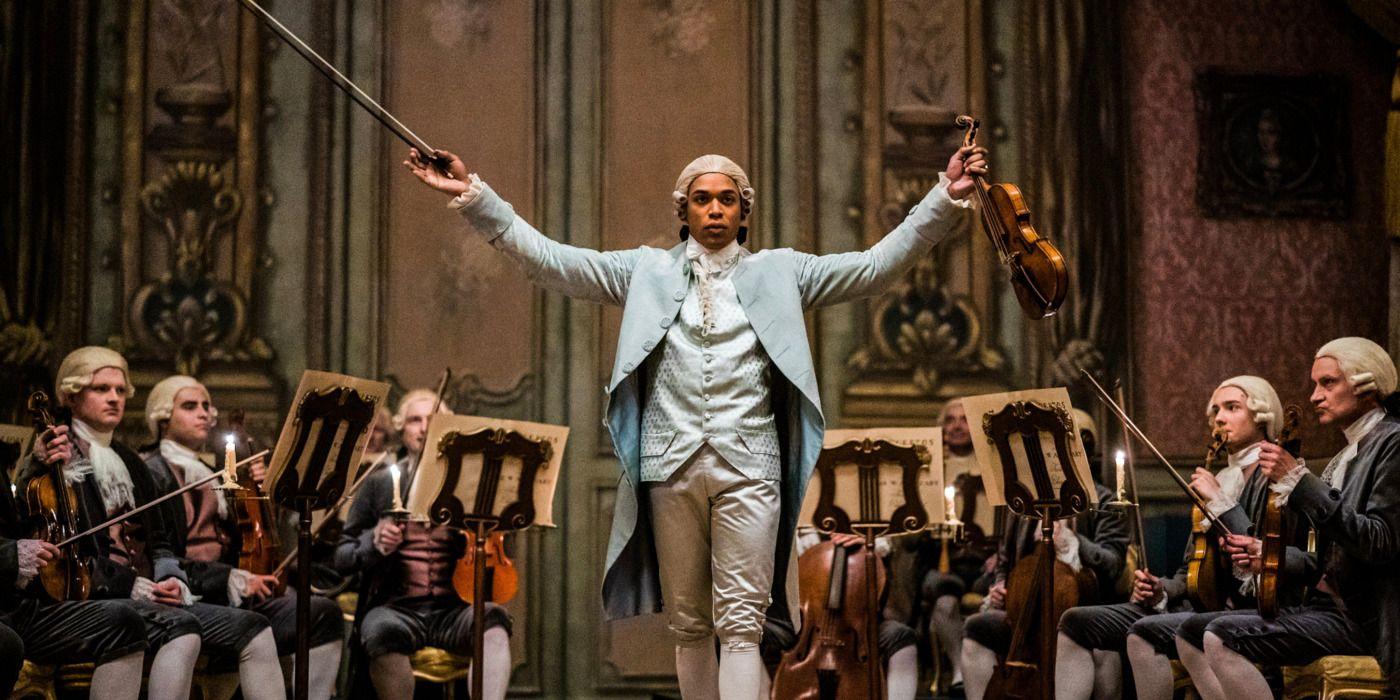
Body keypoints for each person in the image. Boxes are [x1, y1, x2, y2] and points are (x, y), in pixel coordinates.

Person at [406, 140, 985, 698]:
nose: (714, 209)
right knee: (688, 623)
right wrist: (475, 196)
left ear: (744, 211)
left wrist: (943, 198)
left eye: (727, 199)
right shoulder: (645, 270)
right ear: (683, 211)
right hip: (670, 462)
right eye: (702, 199)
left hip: (751, 465)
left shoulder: (782, 271)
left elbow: (874, 266)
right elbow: (552, 260)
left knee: (742, 623)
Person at [26, 346, 277, 700]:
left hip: (148, 592)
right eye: (101, 389)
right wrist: (131, 585)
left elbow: (159, 540)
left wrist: (171, 577)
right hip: (94, 593)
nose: (114, 398)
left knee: (256, 626)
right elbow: (55, 544)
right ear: (70, 395)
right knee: (182, 628)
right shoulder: (54, 453)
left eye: (120, 390)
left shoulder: (131, 461)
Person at [1055, 376, 1293, 700]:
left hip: (1249, 609)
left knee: (1145, 632)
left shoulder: (1278, 477)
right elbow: (1190, 572)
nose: (1219, 418)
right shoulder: (1220, 477)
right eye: (1216, 410)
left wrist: (1220, 501)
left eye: (1232, 407)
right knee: (1075, 621)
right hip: (1197, 606)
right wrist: (1160, 590)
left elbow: (1263, 554)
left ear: (1262, 415)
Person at [1187, 338, 1400, 697]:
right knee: (1197, 630)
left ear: (1367, 385)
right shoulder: (1348, 453)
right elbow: (1324, 560)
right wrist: (1268, 554)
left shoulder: (1392, 441)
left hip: (1367, 618)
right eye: (1315, 384)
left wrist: (1300, 482)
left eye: (1328, 383)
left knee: (1219, 636)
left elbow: (1380, 542)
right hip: (1329, 608)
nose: (1315, 396)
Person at [141, 375, 344, 700]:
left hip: (228, 593)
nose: (204, 413)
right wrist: (231, 578)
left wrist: (260, 493)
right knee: (254, 623)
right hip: (191, 595)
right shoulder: (153, 471)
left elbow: (248, 535)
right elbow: (161, 553)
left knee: (321, 613)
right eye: (190, 406)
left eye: (206, 406)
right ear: (163, 417)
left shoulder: (217, 471)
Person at [335, 389, 514, 700]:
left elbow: (500, 549)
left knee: (494, 620)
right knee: (378, 630)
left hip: (455, 609)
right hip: (395, 608)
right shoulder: (378, 484)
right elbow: (342, 557)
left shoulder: (469, 485)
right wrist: (374, 542)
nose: (424, 428)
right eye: (415, 420)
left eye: (433, 420)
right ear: (401, 429)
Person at [958, 410, 1128, 700]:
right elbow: (1005, 561)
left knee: (1093, 640)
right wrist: (1000, 587)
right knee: (976, 628)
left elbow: (1113, 564)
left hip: (1086, 607)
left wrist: (1073, 541)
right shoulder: (1022, 503)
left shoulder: (1104, 500)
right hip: (1026, 615)